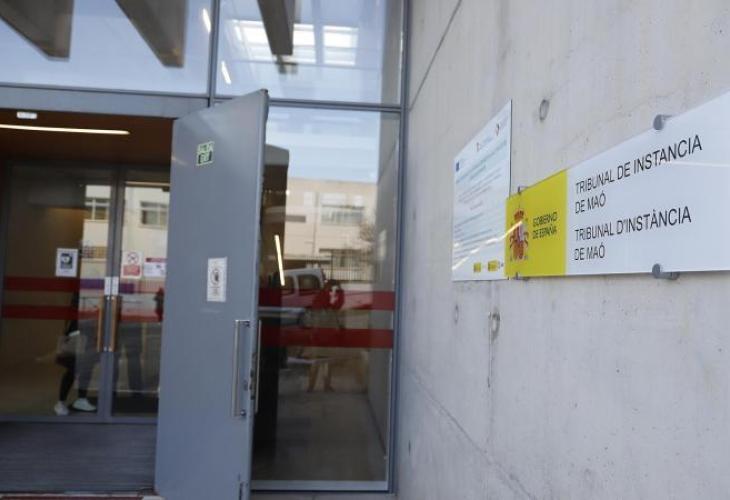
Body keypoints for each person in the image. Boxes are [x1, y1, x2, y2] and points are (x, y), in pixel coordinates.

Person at [54, 292, 96, 416]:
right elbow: (76, 306)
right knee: (72, 370)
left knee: (86, 369)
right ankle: (60, 402)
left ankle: (81, 399)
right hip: (77, 334)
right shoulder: (82, 291)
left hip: (86, 333)